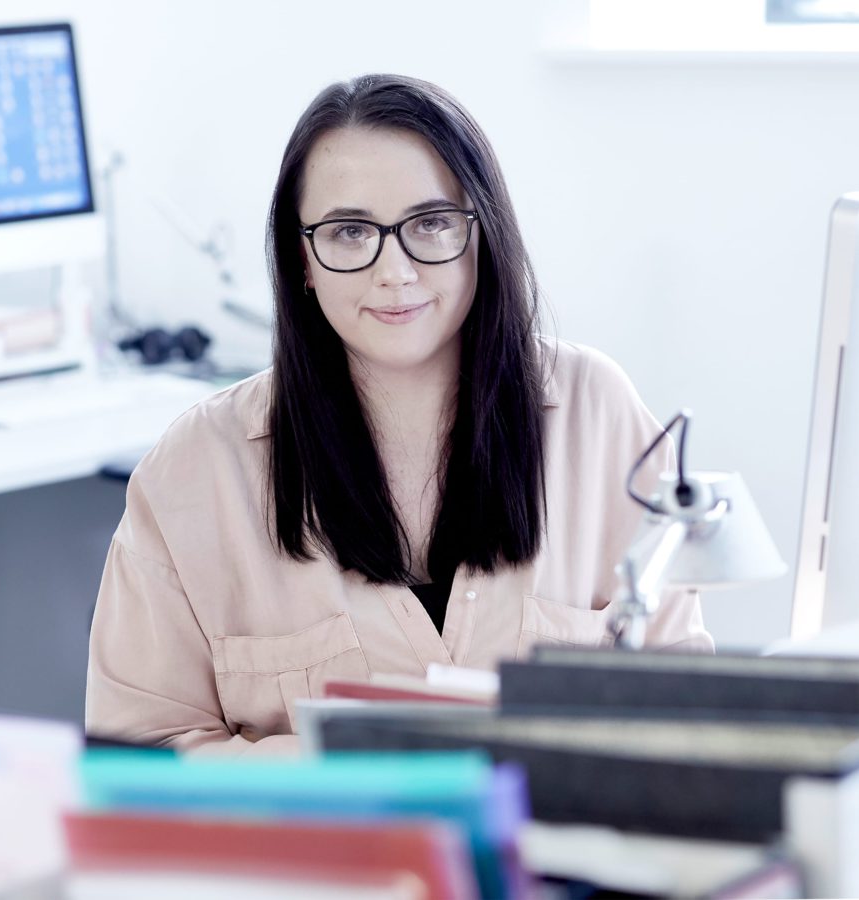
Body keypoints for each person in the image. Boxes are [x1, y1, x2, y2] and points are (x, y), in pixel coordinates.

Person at [86, 74, 713, 756]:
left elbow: (684, 704)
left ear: (483, 234)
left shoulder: (597, 412)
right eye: (350, 232)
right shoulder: (195, 468)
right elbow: (135, 757)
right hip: (314, 834)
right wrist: (352, 773)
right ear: (303, 259)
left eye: (432, 223)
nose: (395, 271)